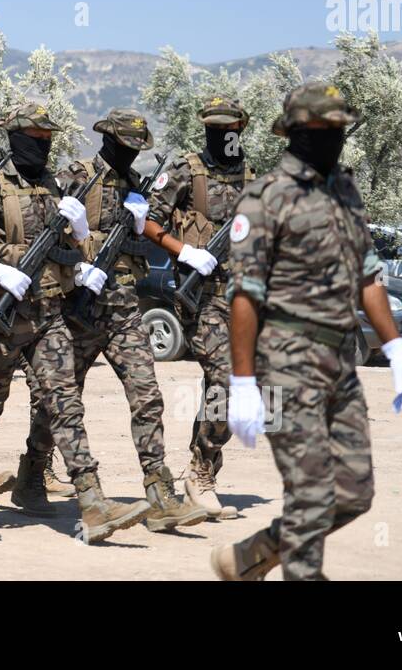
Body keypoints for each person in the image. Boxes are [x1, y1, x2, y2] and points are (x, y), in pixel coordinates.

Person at [212, 82, 402, 581]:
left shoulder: (345, 190)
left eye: (338, 129)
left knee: (353, 492)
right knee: (309, 494)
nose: (332, 137)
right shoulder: (266, 198)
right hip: (285, 361)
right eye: (322, 130)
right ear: (297, 132)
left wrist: (396, 349)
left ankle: (249, 558)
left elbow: (368, 275)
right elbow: (245, 296)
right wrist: (242, 385)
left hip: (341, 362)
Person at [0, 100, 152, 543]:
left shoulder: (55, 186)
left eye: (47, 137)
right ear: (14, 138)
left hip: (49, 314)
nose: (41, 145)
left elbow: (70, 252)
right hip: (1, 318)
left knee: (66, 404)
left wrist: (82, 241)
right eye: (33, 138)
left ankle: (92, 502)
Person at [56, 109, 207, 530]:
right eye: (125, 146)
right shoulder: (75, 176)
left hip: (124, 310)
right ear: (107, 140)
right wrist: (79, 252)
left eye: (136, 149)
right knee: (60, 403)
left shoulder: (135, 187)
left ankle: (159, 494)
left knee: (147, 397)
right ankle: (33, 476)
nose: (130, 154)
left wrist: (141, 227)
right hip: (78, 311)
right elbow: (47, 236)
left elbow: (145, 247)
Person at [144, 95, 254, 519]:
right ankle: (199, 473)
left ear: (241, 129)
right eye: (214, 127)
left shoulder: (250, 175)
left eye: (228, 128)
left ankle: (201, 466)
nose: (221, 134)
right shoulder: (186, 170)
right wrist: (183, 252)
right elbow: (150, 221)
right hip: (202, 296)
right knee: (224, 377)